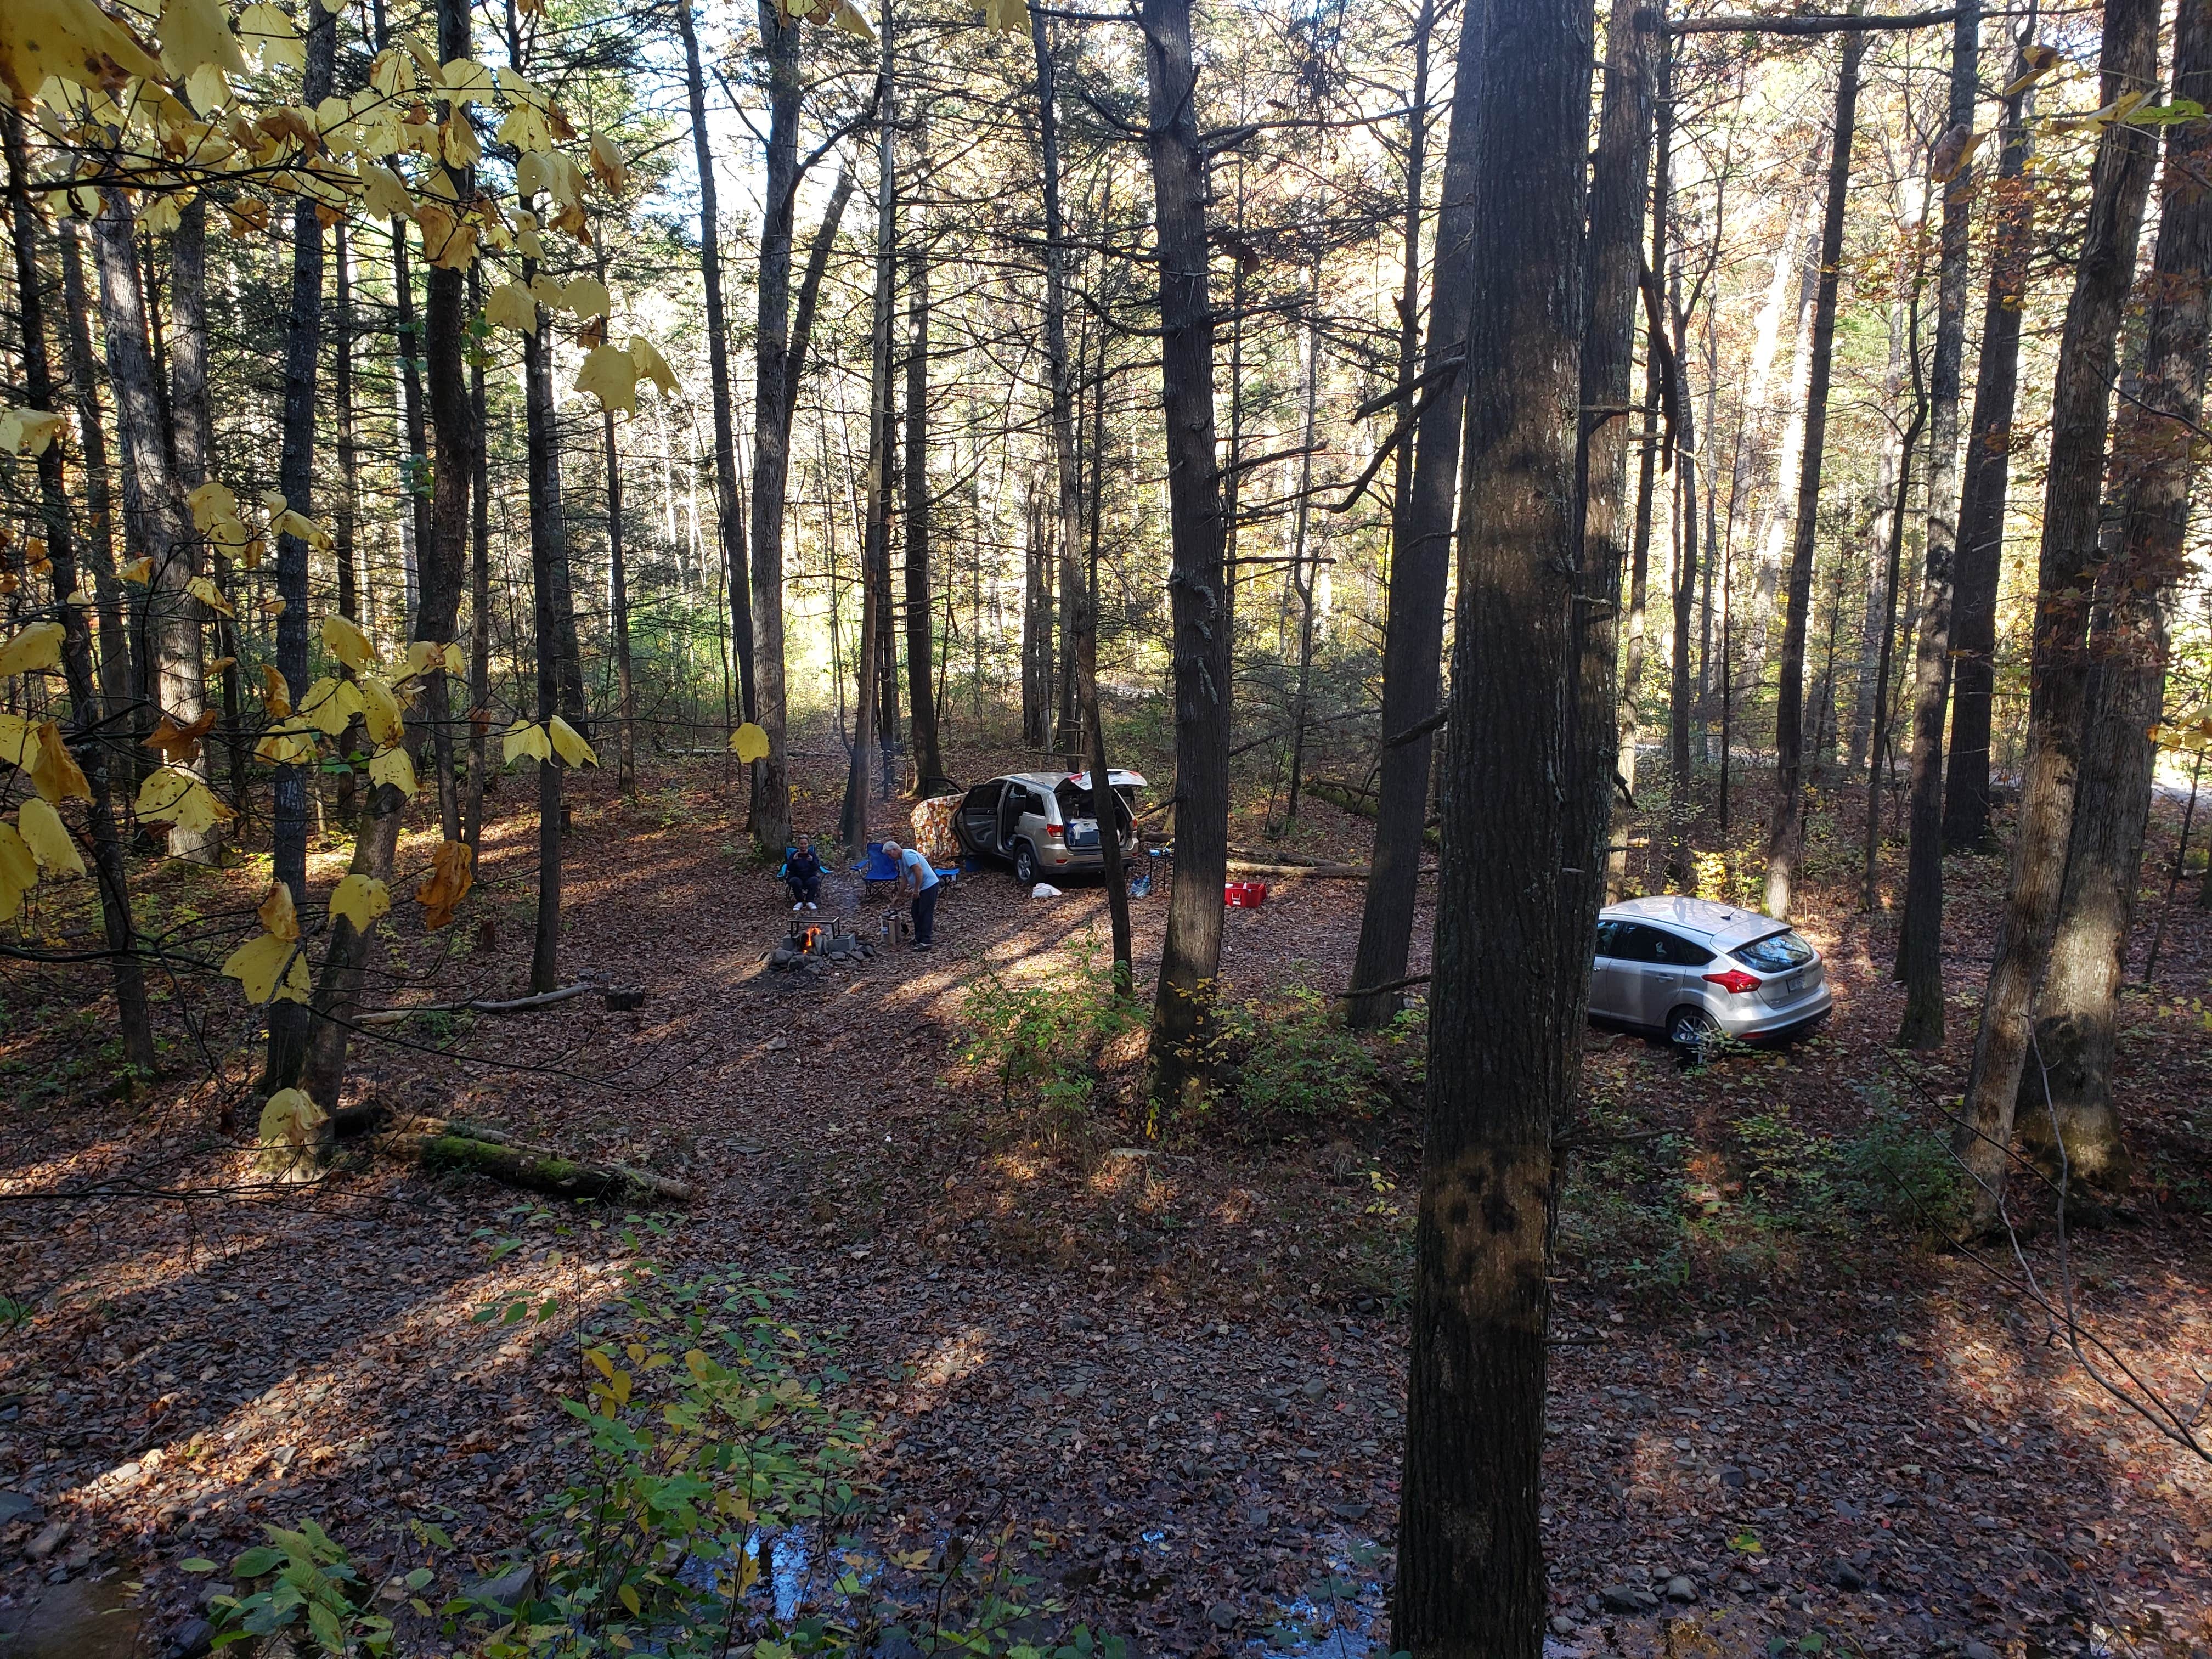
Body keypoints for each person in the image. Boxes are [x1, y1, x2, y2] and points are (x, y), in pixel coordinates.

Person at [884, 838, 939, 950]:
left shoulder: (908, 855)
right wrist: (898, 897)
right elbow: (904, 880)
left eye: (890, 855)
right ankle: (919, 938)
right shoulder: (901, 860)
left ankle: (926, 942)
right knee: (916, 912)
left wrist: (916, 890)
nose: (891, 858)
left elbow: (919, 870)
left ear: (895, 850)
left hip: (928, 886)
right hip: (921, 888)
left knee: (925, 913)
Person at [785, 837, 821, 911]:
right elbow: (789, 868)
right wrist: (794, 861)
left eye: (805, 844)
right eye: (802, 844)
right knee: (795, 881)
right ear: (798, 844)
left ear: (808, 844)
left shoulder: (812, 854)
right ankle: (800, 901)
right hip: (797, 876)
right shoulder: (794, 854)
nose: (804, 846)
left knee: (815, 880)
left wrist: (812, 861)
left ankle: (809, 901)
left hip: (809, 877)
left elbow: (817, 867)